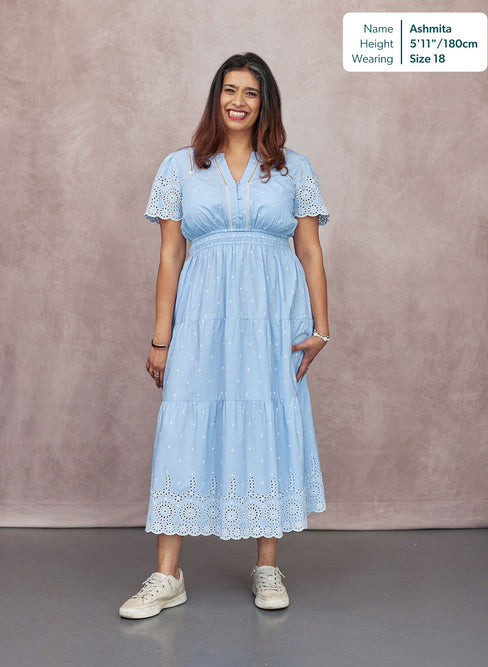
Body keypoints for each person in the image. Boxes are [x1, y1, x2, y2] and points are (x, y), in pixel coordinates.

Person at [119, 52, 331, 619]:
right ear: (217, 97)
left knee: (267, 420)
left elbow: (310, 251)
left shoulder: (294, 169)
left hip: (271, 319)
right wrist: (161, 338)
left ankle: (267, 565)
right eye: (230, 90)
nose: (239, 101)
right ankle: (167, 576)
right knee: (184, 424)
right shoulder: (180, 167)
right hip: (201, 319)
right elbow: (171, 255)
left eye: (251, 92)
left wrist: (321, 328)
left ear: (265, 103)